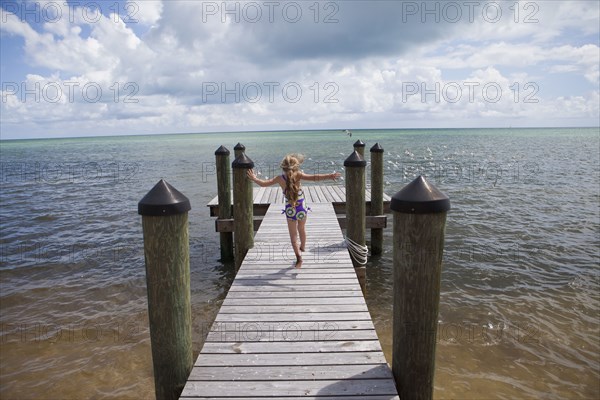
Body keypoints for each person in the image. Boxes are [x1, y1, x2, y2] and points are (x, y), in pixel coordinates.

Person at [247, 154, 341, 267]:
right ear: (296, 167)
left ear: (283, 167)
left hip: (290, 210)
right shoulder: (299, 175)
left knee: (293, 236)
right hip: (301, 208)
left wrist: (254, 178)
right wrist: (330, 176)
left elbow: (263, 184)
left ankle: (299, 257)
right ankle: (303, 247)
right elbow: (315, 178)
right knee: (301, 228)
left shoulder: (279, 179)